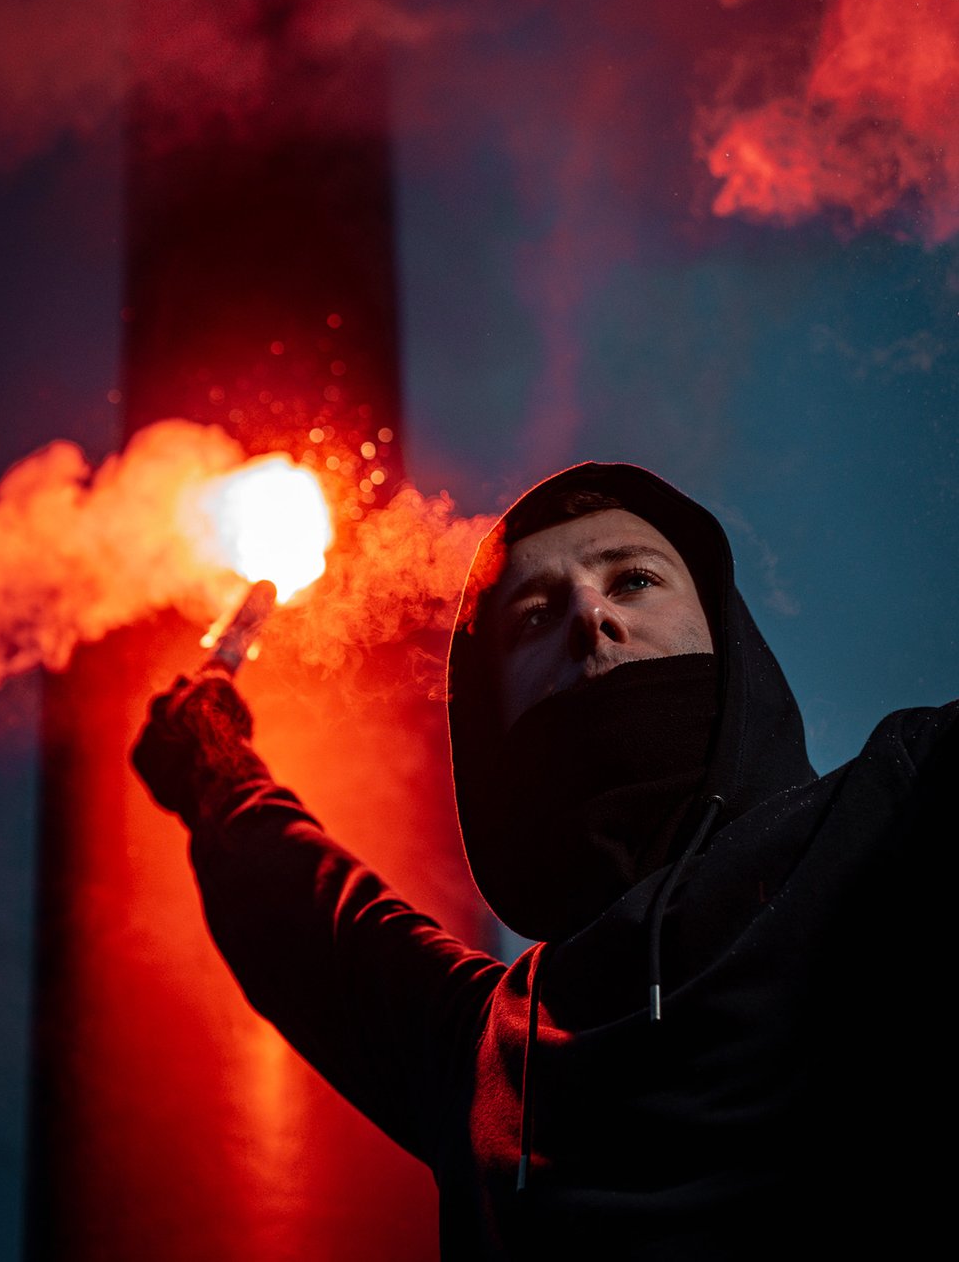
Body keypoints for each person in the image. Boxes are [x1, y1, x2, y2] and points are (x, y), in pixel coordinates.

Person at [132, 461, 956, 1259]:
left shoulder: (900, 806)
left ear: (724, 630)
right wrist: (215, 772)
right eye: (532, 616)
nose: (588, 616)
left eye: (632, 579)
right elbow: (318, 923)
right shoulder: (493, 1048)